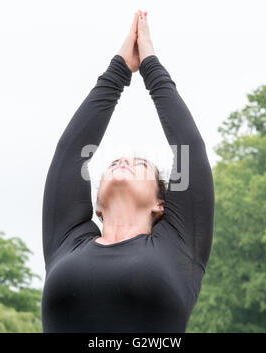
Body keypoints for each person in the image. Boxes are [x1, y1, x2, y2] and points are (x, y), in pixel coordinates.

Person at [41, 10, 215, 333]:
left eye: (140, 165)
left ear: (160, 204)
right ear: (96, 206)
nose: (123, 162)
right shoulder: (66, 242)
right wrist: (117, 69)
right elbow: (69, 153)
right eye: (112, 165)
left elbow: (188, 147)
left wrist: (149, 66)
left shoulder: (178, 247)